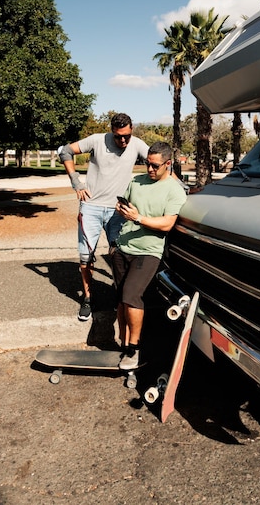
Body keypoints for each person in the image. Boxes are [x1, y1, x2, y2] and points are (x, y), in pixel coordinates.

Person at [59, 113, 149, 321]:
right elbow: (65, 151)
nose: (123, 141)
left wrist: (180, 187)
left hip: (117, 210)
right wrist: (76, 182)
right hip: (90, 207)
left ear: (132, 129)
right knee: (85, 257)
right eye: (118, 137)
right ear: (111, 131)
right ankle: (88, 299)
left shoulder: (137, 144)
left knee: (119, 255)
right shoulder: (97, 140)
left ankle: (120, 298)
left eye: (126, 135)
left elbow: (160, 163)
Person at [111, 141, 187, 370]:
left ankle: (134, 349)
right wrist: (122, 210)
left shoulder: (174, 190)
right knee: (121, 300)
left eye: (155, 165)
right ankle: (124, 345)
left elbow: (167, 224)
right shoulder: (136, 181)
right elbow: (124, 206)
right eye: (147, 164)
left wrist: (137, 218)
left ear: (168, 164)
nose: (150, 169)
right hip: (123, 247)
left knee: (132, 295)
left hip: (148, 251)